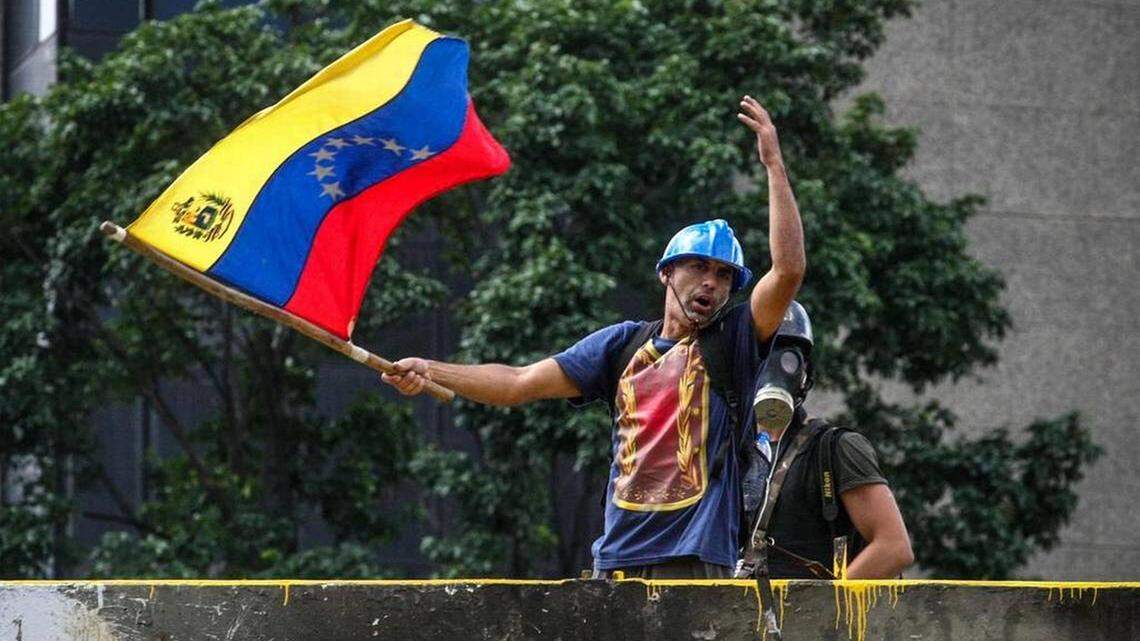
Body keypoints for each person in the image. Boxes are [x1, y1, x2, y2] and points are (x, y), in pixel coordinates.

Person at [382, 95, 805, 579]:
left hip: (694, 562)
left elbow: (788, 270)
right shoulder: (621, 346)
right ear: (667, 274)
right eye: (697, 267)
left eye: (724, 275)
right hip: (616, 563)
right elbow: (519, 383)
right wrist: (431, 369)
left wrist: (773, 165)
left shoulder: (734, 339)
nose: (711, 282)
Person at [742, 301, 914, 579]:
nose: (773, 369)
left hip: (810, 619)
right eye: (762, 357)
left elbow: (893, 548)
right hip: (744, 617)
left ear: (805, 373)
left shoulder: (836, 449)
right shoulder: (728, 452)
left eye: (787, 359)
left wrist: (825, 613)